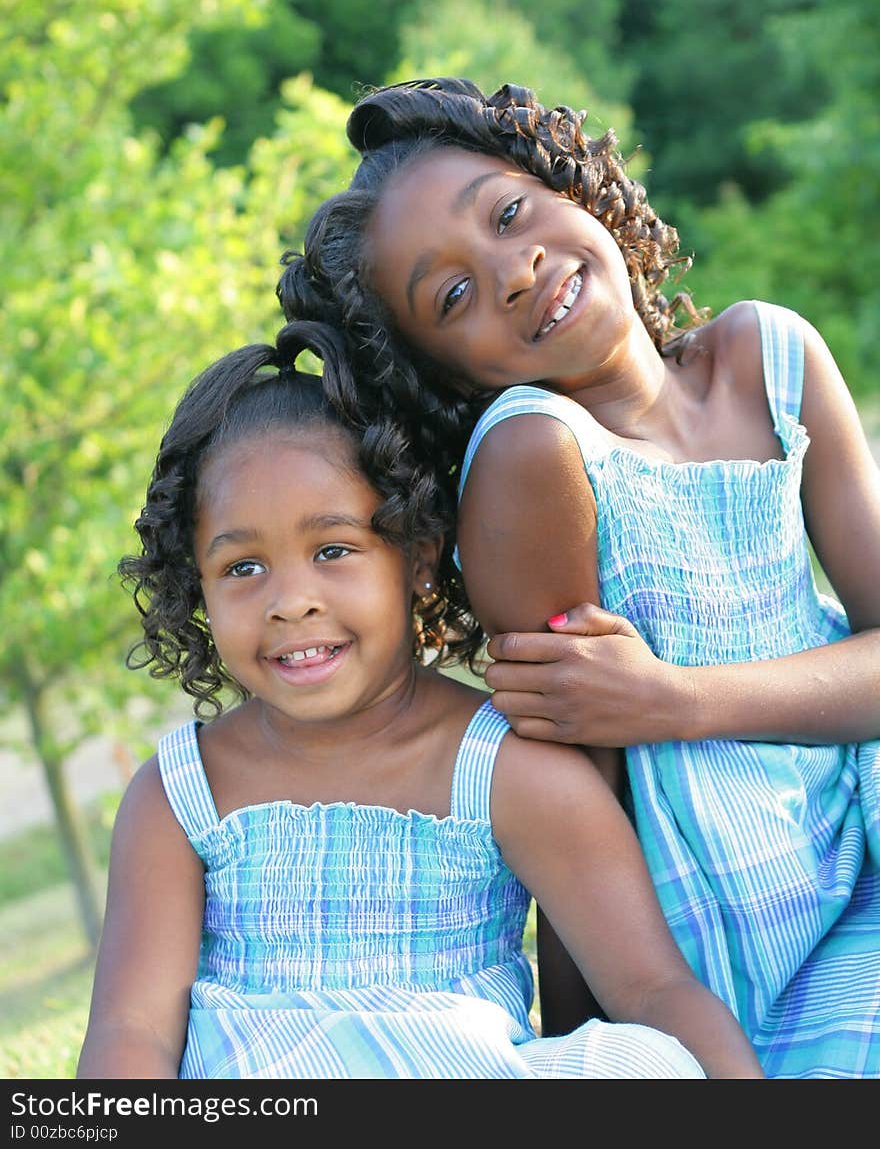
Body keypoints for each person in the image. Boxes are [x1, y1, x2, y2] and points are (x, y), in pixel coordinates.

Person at [276, 76, 880, 1079]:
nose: (513, 273)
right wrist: (589, 1058)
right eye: (454, 296)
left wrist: (674, 698)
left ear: (577, 187)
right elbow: (573, 803)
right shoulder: (537, 454)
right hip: (734, 938)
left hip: (852, 839)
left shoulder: (770, 356)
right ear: (446, 374)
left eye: (509, 214)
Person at [75, 320, 762, 1080]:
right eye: (242, 567)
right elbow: (130, 1032)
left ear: (417, 555)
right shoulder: (180, 794)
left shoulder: (505, 767)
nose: (290, 601)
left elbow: (653, 988)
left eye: (333, 550)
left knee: (645, 1066)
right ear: (194, 588)